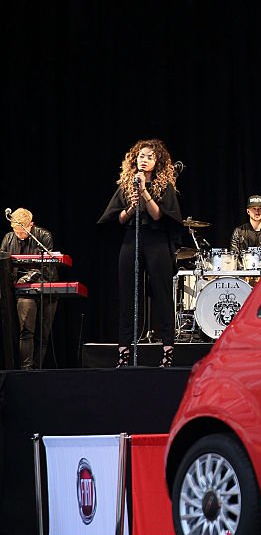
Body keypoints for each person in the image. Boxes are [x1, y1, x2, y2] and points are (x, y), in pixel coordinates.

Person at [98, 139, 183, 368]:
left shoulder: (164, 186)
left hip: (156, 241)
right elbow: (117, 218)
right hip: (131, 239)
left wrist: (144, 193)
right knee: (127, 295)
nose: (143, 160)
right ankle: (124, 353)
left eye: (149, 157)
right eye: (141, 156)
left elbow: (158, 216)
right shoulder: (126, 185)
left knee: (162, 296)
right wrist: (130, 208)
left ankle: (167, 352)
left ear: (157, 162)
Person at [0, 208, 57, 369]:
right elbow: (4, 267)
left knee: (43, 334)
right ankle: (26, 369)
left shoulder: (44, 236)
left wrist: (30, 276)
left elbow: (47, 265)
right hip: (22, 290)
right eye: (16, 232)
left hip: (45, 285)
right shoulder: (8, 239)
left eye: (22, 232)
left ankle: (37, 369)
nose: (19, 235)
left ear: (30, 225)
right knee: (26, 330)